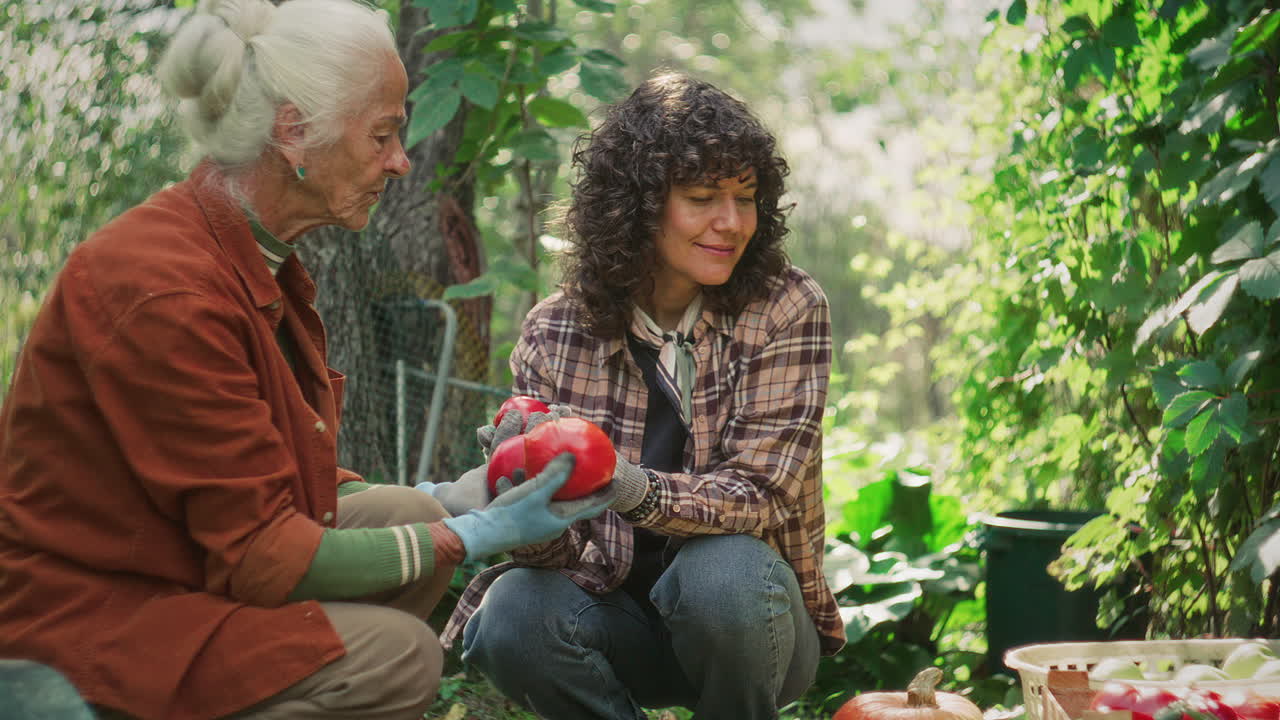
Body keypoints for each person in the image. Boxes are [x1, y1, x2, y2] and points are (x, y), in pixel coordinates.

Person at [0, 1, 611, 719]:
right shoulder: (165, 288)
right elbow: (263, 553)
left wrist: (454, 499)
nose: (400, 160)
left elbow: (261, 483)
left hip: (182, 563)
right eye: (382, 134)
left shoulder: (249, 256)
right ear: (294, 133)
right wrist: (472, 535)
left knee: (406, 512)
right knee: (398, 658)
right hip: (92, 618)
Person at [444, 71, 847, 720]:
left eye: (745, 198)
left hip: (751, 624)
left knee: (721, 572)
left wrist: (632, 488)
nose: (731, 222)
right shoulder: (556, 331)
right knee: (512, 610)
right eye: (703, 196)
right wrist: (525, 488)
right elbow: (554, 560)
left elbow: (761, 495)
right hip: (610, 617)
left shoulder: (786, 306)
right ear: (637, 206)